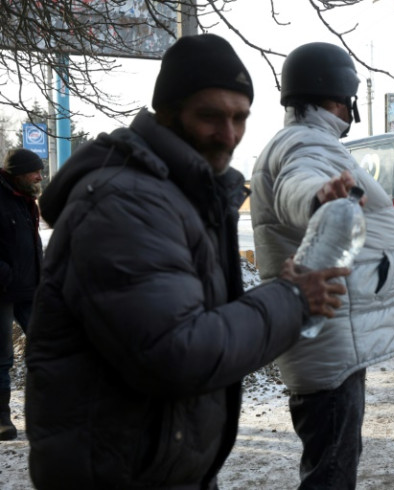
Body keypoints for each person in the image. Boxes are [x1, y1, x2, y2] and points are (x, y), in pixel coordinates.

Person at [24, 34, 349, 490]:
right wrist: (292, 299)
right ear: (168, 111)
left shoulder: (181, 193)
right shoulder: (125, 204)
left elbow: (188, 317)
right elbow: (176, 351)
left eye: (239, 118)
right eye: (210, 116)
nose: (229, 134)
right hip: (116, 472)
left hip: (154, 462)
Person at [250, 41, 394, 490]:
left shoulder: (301, 139)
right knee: (331, 474)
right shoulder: (305, 142)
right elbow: (298, 182)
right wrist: (318, 197)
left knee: (330, 465)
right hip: (327, 343)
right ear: (336, 95)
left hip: (327, 339)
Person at [0, 148, 43, 441]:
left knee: (48, 344)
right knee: (1, 356)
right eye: (34, 172)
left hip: (30, 288)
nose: (40, 176)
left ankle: (48, 410)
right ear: (17, 174)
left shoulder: (24, 198)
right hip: (1, 290)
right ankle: (2, 416)